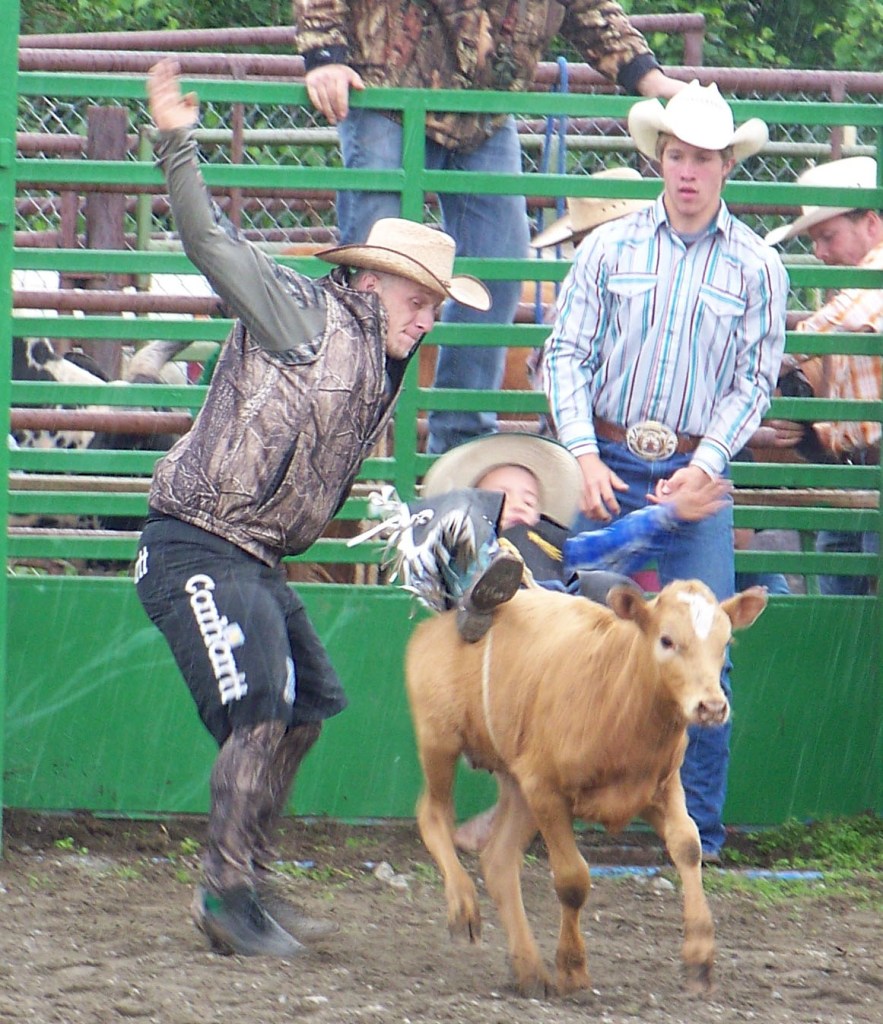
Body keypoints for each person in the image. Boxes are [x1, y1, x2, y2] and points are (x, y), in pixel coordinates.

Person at [134, 59, 491, 957]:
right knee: (262, 708)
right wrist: (177, 140)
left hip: (247, 552)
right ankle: (224, 896)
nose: (428, 319)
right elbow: (208, 241)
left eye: (436, 307)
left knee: (307, 706)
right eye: (419, 301)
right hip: (196, 540)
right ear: (372, 285)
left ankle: (246, 877)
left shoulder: (375, 363)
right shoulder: (300, 313)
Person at [542, 81, 789, 862]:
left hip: (695, 471)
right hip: (605, 461)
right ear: (659, 158)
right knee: (562, 639)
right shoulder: (609, 247)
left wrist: (705, 465)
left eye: (703, 159)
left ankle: (697, 838)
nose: (687, 171)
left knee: (706, 653)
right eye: (676, 154)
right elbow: (566, 353)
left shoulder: (756, 265)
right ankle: (549, 814)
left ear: (725, 168)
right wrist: (581, 453)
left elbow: (754, 380)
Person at [293, 0, 684, 455]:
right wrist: (324, 56)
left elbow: (587, 7)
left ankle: (459, 446)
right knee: (376, 270)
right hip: (385, 94)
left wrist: (646, 75)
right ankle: (352, 434)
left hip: (484, 111)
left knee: (498, 266)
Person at [371, 430, 731, 852]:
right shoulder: (470, 533)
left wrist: (667, 515)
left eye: (530, 494)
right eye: (503, 493)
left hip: (561, 643)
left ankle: (509, 815)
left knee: (610, 585)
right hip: (507, 637)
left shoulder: (556, 546)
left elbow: (612, 543)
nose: (521, 500)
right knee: (475, 546)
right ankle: (488, 590)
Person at [765, 156, 882, 595]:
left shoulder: (871, 285)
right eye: (815, 240)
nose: (820, 253)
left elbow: (824, 330)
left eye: (828, 236)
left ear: (870, 223)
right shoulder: (856, 293)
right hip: (855, 475)